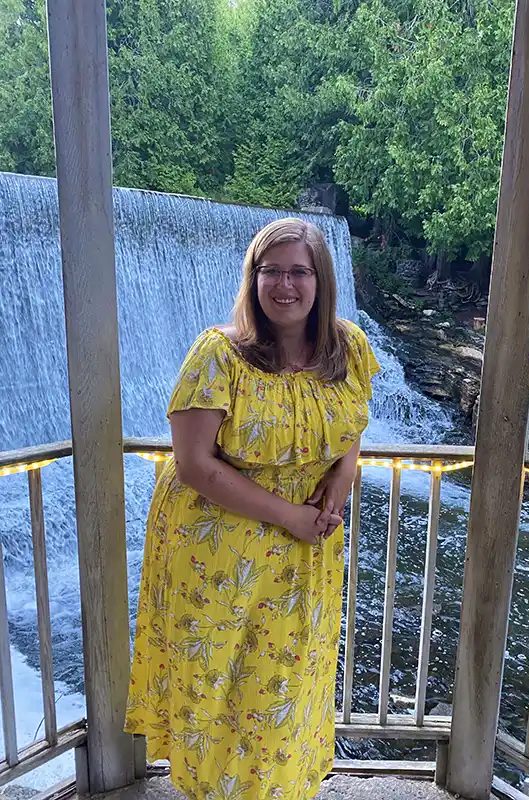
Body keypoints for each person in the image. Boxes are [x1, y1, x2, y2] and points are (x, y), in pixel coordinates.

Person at [125, 217, 380, 800]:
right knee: (221, 694)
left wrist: (342, 475)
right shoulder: (219, 354)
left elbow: (351, 427)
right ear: (253, 277)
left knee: (286, 687)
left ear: (322, 280)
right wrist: (289, 515)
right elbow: (193, 463)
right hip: (219, 553)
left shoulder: (348, 349)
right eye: (271, 272)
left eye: (299, 272)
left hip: (303, 554)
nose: (284, 286)